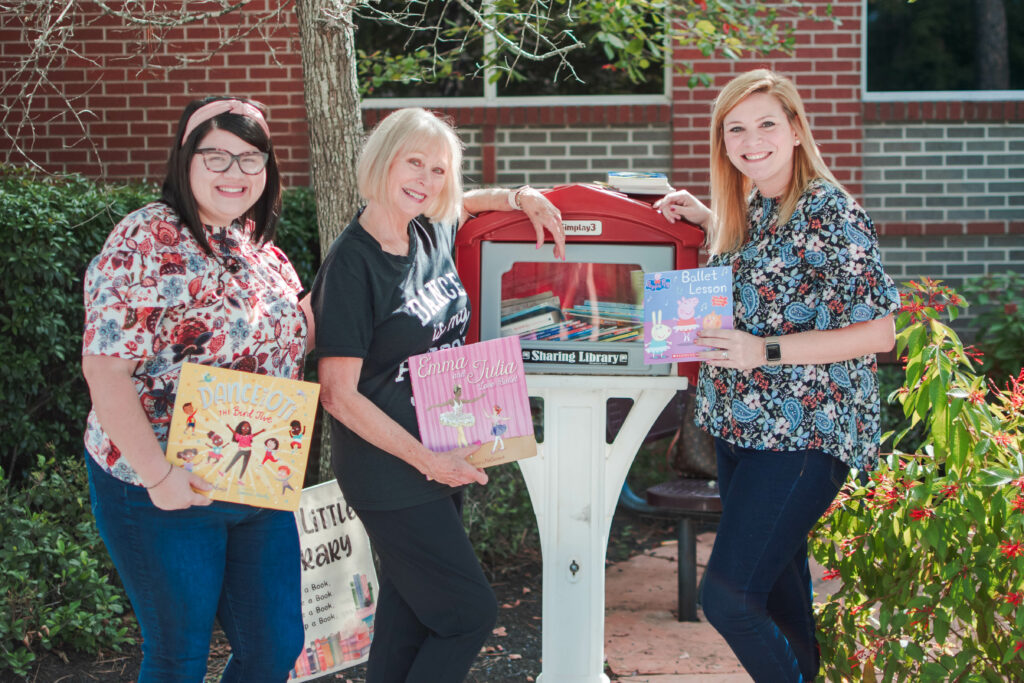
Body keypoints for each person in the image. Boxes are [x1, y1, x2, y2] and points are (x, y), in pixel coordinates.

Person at [654, 69, 900, 681]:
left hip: (805, 435)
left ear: (795, 130)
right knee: (783, 601)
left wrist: (762, 351)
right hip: (742, 429)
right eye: (735, 128)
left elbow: (880, 333)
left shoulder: (830, 210)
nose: (751, 139)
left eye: (766, 123)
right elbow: (775, 267)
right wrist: (707, 216)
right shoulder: (753, 208)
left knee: (730, 598)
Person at [311, 107, 564, 683]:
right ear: (382, 161)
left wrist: (521, 195)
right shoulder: (353, 264)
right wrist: (430, 462)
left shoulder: (427, 229)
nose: (426, 180)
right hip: (393, 470)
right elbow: (338, 396)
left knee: (407, 617)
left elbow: (471, 202)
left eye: (439, 170)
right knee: (466, 615)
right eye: (414, 163)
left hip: (440, 453)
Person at [81, 96, 312, 682]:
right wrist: (160, 477)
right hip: (163, 487)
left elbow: (295, 336)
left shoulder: (260, 248)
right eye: (217, 156)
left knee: (275, 646)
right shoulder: (145, 237)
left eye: (251, 158)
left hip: (257, 482)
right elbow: (106, 371)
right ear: (184, 160)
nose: (235, 173)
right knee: (179, 657)